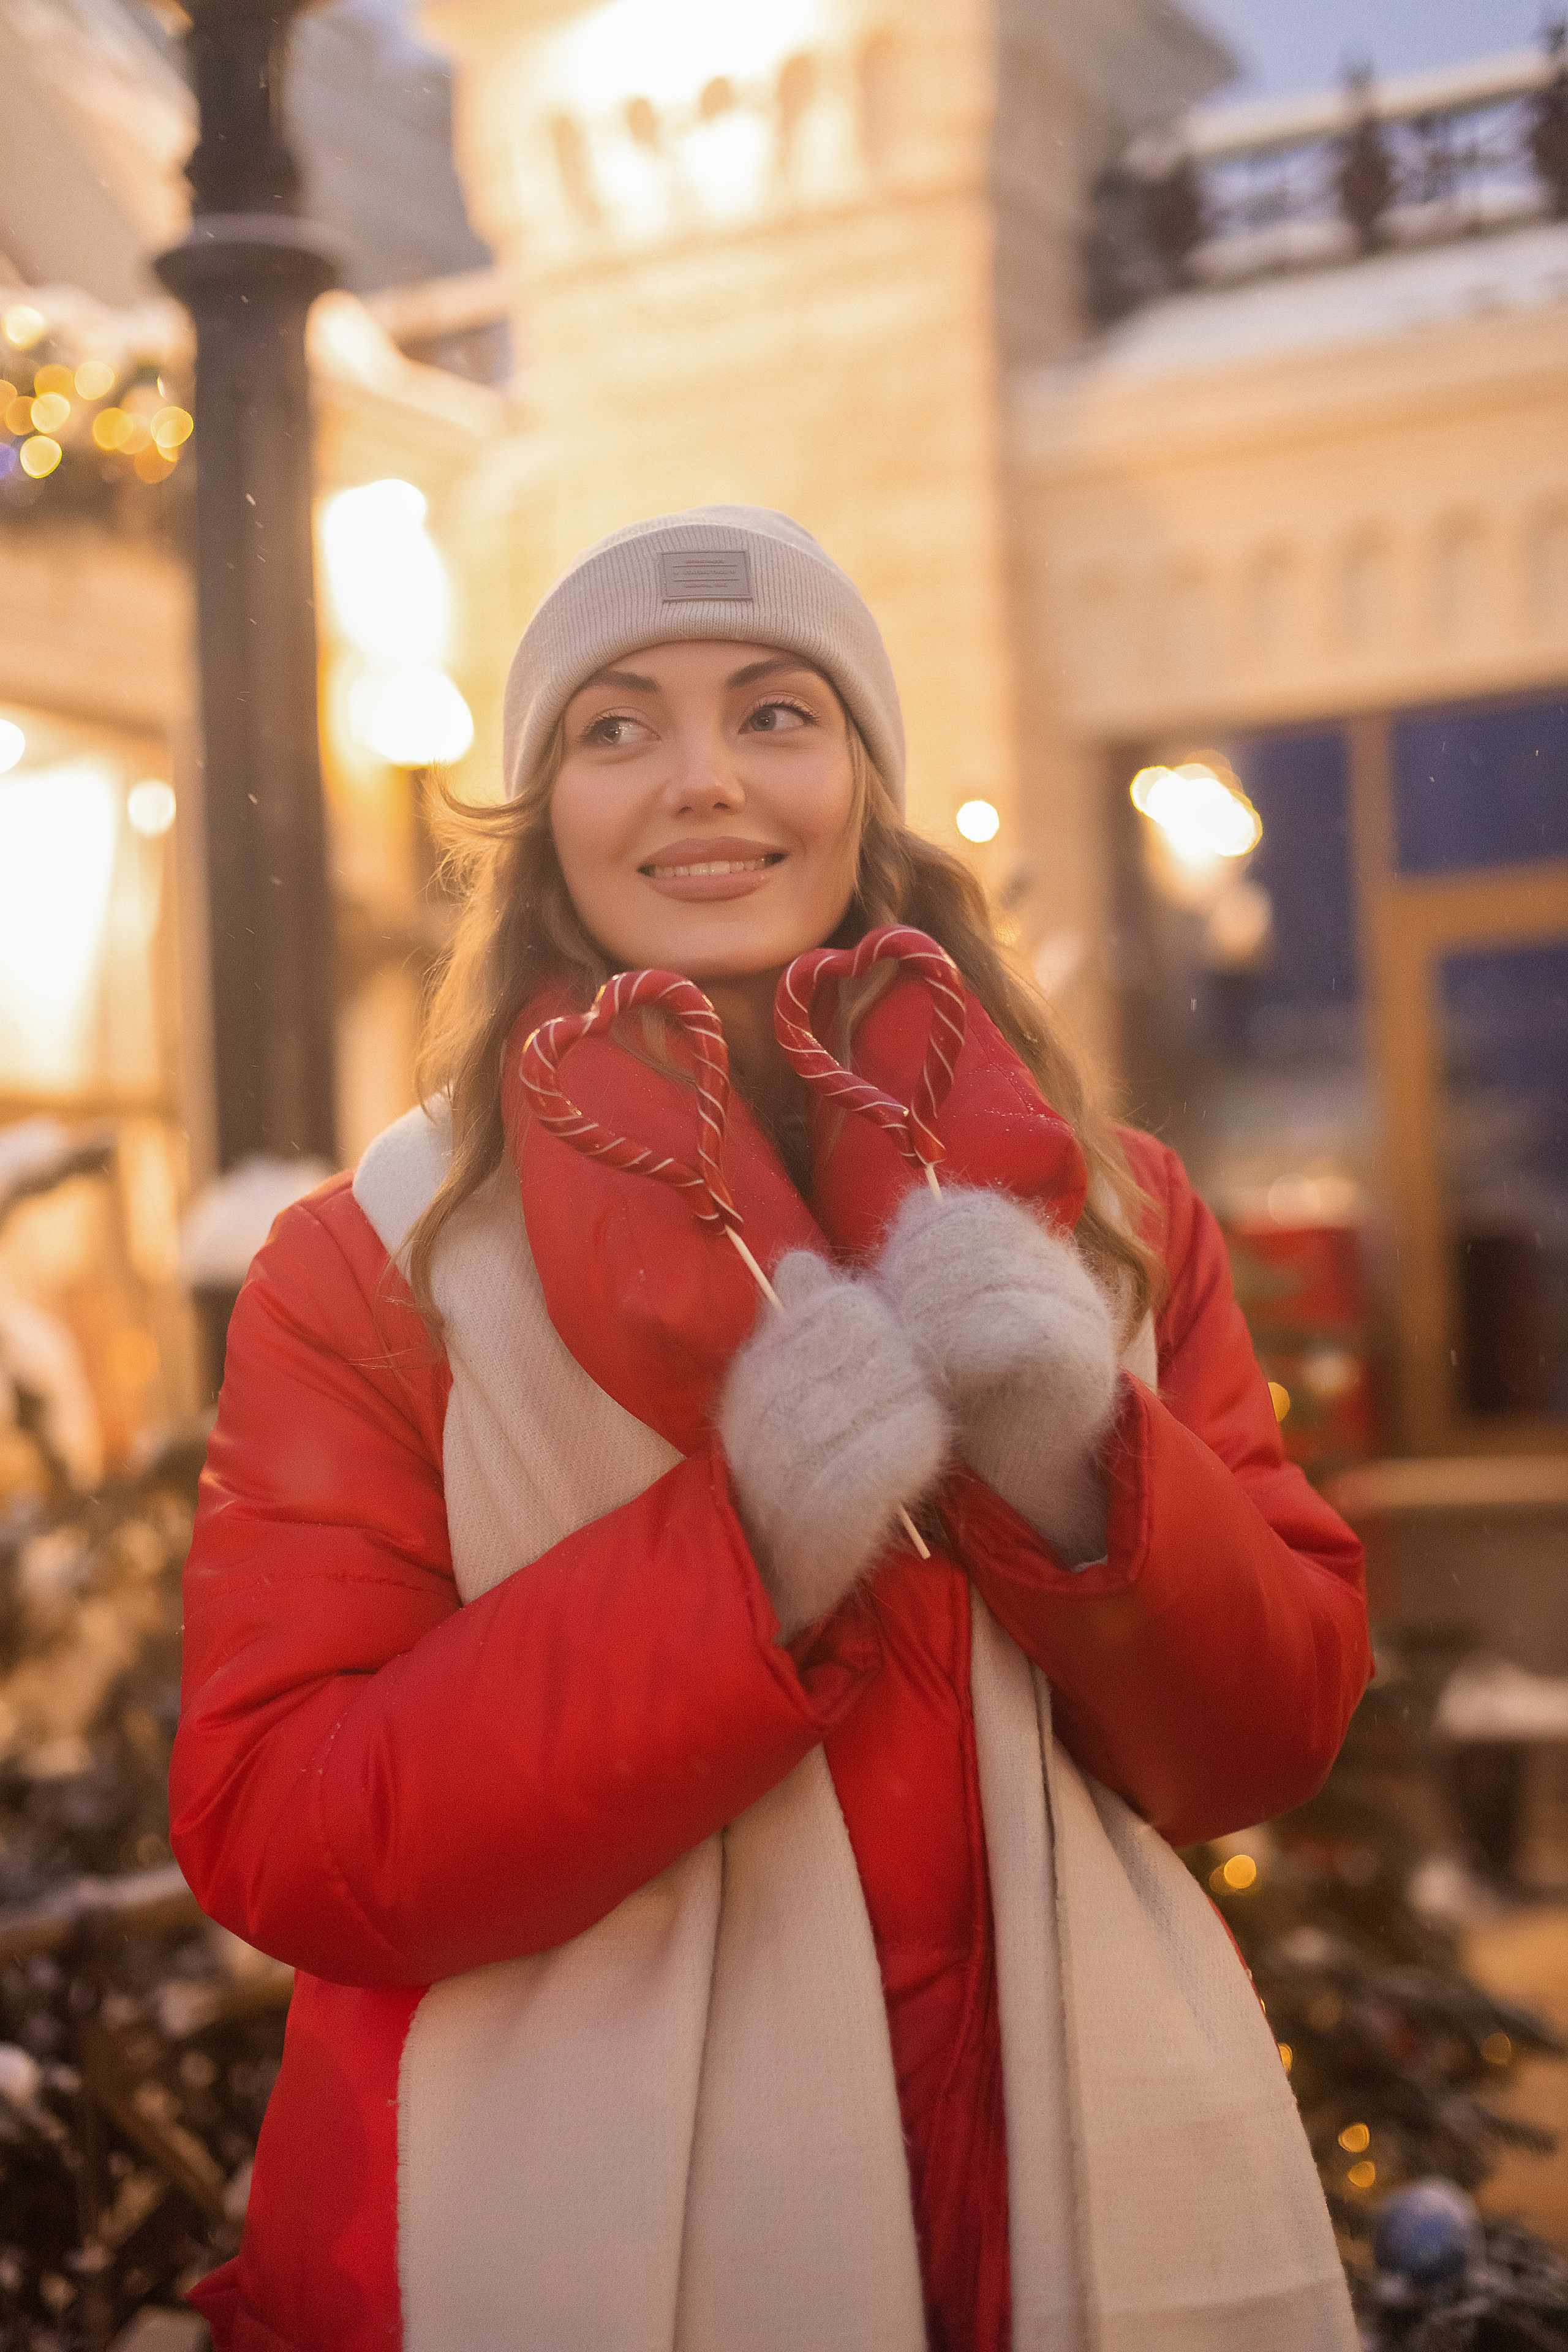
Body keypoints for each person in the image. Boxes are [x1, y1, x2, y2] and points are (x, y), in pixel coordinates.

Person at [173, 507, 1371, 2352]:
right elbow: (283, 1829)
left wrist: (1082, 1476)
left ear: (865, 783)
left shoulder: (1114, 1214)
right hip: (556, 2239)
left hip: (1049, 2202)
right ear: (545, 810)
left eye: (778, 714)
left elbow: (1271, 1727)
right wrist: (736, 1564)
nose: (704, 785)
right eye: (618, 727)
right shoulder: (369, 1268)